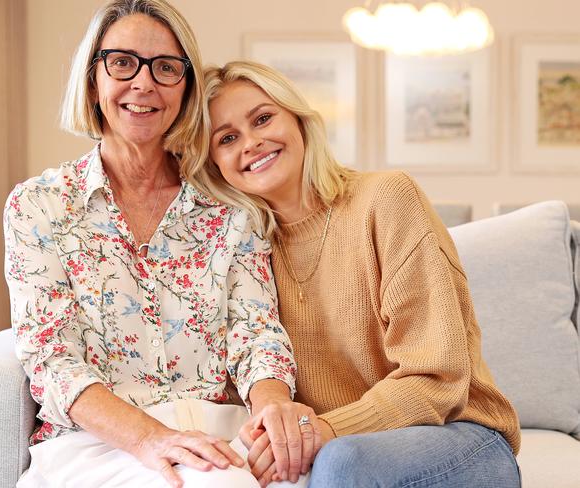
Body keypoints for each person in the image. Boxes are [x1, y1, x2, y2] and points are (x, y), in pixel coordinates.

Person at [183, 60, 522, 487]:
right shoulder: (244, 253)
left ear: (300, 121)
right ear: (215, 165)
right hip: (334, 450)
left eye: (263, 118)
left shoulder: (385, 199)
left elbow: (437, 376)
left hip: (459, 436)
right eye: (227, 138)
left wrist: (324, 431)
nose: (251, 142)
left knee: (342, 464)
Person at [3, 3, 300, 487]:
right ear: (93, 76)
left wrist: (274, 411)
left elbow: (257, 333)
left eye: (166, 68)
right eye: (123, 62)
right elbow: (52, 356)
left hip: (220, 432)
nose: (144, 83)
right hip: (97, 443)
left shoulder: (230, 208)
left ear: (185, 89)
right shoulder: (39, 206)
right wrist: (149, 438)